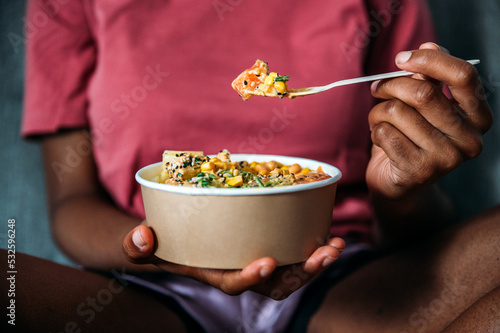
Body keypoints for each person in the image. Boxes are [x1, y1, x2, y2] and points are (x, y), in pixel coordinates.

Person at [10, 0, 498, 332]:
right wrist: (163, 250)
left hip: (340, 279)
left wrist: (402, 194)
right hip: (143, 289)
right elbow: (71, 206)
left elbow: (420, 229)